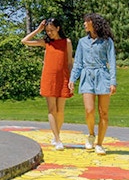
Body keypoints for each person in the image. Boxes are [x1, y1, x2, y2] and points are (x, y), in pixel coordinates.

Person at [21, 17, 73, 149]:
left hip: (63, 78)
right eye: (47, 30)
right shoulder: (46, 42)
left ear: (58, 28)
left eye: (52, 30)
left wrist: (71, 80)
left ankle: (57, 135)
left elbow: (69, 62)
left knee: (60, 110)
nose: (49, 33)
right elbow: (24, 41)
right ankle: (57, 139)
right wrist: (38, 29)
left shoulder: (67, 42)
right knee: (52, 109)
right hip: (49, 78)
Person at [71, 13, 116, 155]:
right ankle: (91, 134)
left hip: (103, 77)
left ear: (93, 23)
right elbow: (78, 62)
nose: (84, 24)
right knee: (89, 110)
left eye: (86, 22)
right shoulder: (82, 42)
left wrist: (113, 81)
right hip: (87, 76)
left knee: (103, 112)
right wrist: (73, 79)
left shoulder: (107, 42)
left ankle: (100, 144)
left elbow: (112, 62)